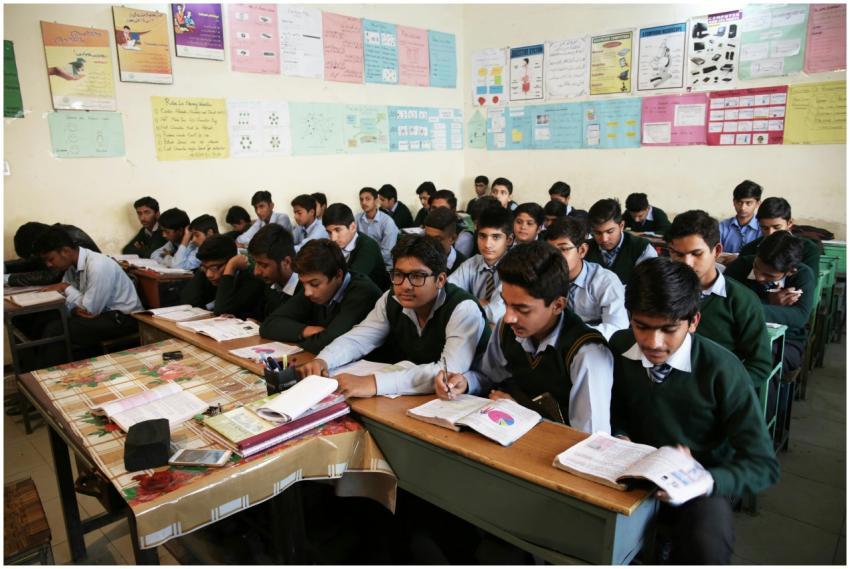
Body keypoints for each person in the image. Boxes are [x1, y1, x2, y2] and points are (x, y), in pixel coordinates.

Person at [609, 257, 779, 565]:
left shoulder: (722, 369)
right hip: (630, 472)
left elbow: (763, 465)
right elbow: (616, 410)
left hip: (698, 484)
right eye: (641, 326)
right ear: (629, 317)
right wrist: (619, 434)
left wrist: (707, 481)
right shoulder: (619, 347)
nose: (653, 342)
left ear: (694, 322)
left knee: (707, 544)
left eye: (669, 329)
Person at [436, 241, 613, 433]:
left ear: (558, 305)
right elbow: (489, 375)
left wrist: (521, 412)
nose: (509, 317)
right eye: (506, 304)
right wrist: (466, 382)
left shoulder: (587, 354)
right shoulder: (507, 327)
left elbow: (589, 439)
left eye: (522, 309)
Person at [296, 235, 488, 398]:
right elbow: (359, 338)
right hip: (414, 397)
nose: (405, 285)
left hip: (470, 401)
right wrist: (324, 360)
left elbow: (448, 372)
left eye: (417, 276)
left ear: (440, 280)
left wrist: (374, 383)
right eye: (398, 274)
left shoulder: (462, 308)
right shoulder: (392, 299)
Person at [665, 210, 772, 385]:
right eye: (678, 254)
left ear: (717, 251)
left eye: (696, 254)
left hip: (715, 390)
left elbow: (759, 365)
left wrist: (724, 391)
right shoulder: (660, 292)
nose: (687, 263)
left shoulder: (741, 300)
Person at [33, 226, 143, 365]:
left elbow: (89, 310)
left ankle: (52, 374)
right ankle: (37, 370)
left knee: (57, 329)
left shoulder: (97, 265)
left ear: (65, 251)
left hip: (124, 318)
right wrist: (73, 307)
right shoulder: (71, 266)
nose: (48, 265)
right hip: (102, 314)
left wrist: (67, 289)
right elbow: (68, 301)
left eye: (50, 259)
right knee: (45, 318)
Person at [260, 239, 382, 353]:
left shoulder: (362, 293)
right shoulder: (312, 288)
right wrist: (305, 331)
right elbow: (269, 325)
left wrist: (299, 341)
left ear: (338, 275)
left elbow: (329, 342)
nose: (307, 292)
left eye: (314, 284)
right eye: (303, 283)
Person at [724, 231, 814, 373]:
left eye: (769, 275)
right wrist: (770, 303)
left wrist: (746, 308)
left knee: (764, 367)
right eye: (756, 267)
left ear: (791, 271)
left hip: (786, 340)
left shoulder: (803, 275)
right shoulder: (740, 266)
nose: (759, 277)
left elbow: (800, 316)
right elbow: (725, 303)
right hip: (737, 335)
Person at [542, 217, 627, 340]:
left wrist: (571, 334)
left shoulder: (605, 281)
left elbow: (617, 328)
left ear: (582, 250)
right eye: (551, 251)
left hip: (594, 346)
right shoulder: (542, 277)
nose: (556, 257)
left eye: (563, 249)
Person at [448, 207, 513, 324]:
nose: (487, 244)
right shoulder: (472, 263)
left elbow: (495, 315)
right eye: (482, 236)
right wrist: (478, 302)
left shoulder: (514, 269)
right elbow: (445, 295)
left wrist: (466, 302)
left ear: (509, 240)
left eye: (496, 237)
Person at [180, 234, 265, 320]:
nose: (209, 275)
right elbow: (187, 303)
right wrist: (204, 268)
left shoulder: (251, 279)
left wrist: (230, 269)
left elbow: (222, 312)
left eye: (214, 267)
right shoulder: (208, 272)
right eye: (205, 267)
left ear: (232, 261)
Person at [739, 197, 821, 277]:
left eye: (777, 227)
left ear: (790, 222)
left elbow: (809, 283)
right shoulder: (748, 249)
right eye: (764, 228)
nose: (770, 233)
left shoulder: (808, 249)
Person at [584, 198, 657, 285]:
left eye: (610, 231)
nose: (604, 239)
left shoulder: (642, 249)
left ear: (621, 226)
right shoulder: (583, 249)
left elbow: (648, 288)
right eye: (597, 233)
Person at [6, 222, 100, 287]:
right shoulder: (52, 237)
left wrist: (7, 279)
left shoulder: (66, 240)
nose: (48, 263)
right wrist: (5, 267)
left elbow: (52, 276)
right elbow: (32, 262)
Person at [323, 203, 390, 290]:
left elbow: (350, 282)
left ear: (353, 227)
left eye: (337, 230)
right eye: (329, 232)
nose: (333, 238)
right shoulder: (333, 245)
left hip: (371, 297)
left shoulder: (368, 247)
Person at [246, 224, 301, 318]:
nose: (256, 272)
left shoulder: (307, 291)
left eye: (263, 265)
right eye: (256, 263)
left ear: (286, 262)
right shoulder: (269, 283)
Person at [355, 187, 399, 270]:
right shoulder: (357, 219)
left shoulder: (387, 222)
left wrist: (367, 260)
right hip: (363, 262)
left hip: (383, 265)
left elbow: (387, 253)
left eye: (367, 199)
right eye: (361, 199)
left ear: (376, 201)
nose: (363, 202)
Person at [719, 179, 763, 254]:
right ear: (734, 202)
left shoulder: (763, 227)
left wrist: (736, 258)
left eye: (748, 203)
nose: (743, 207)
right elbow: (715, 253)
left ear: (758, 203)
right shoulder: (722, 226)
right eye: (739, 202)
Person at [429, 189, 474, 258]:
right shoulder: (428, 227)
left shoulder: (464, 236)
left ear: (453, 211)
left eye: (443, 209)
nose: (437, 213)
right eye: (434, 208)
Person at [423, 207, 467, 275]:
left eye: (437, 240)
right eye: (427, 237)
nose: (429, 244)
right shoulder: (419, 257)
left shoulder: (464, 268)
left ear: (453, 238)